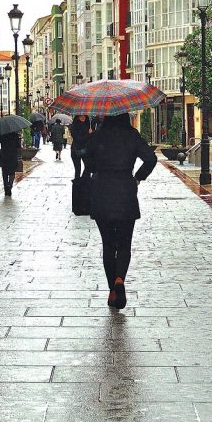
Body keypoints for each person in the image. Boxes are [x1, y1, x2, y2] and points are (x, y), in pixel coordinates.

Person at [85, 113, 157, 309]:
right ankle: (119, 279)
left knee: (108, 245)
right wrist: (138, 177)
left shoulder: (98, 135)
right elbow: (151, 159)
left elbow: (87, 161)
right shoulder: (132, 135)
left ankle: (111, 291)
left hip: (102, 192)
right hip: (125, 191)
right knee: (125, 243)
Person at [0, 131, 20, 196]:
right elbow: (18, 146)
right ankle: (10, 185)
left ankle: (6, 188)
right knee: (12, 172)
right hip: (13, 156)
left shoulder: (2, 135)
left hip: (4, 155)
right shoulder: (15, 135)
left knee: (4, 173)